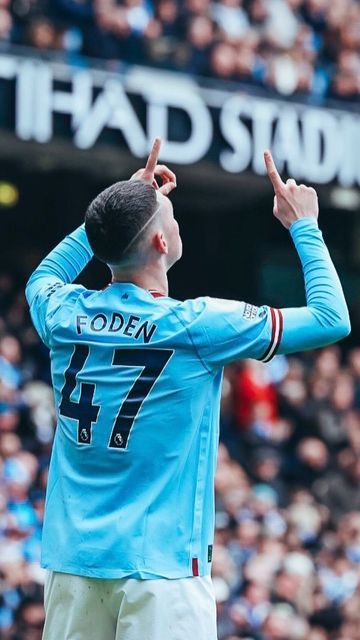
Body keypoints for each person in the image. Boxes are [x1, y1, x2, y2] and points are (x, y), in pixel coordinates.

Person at [25, 138, 350, 640]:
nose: (176, 224)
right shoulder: (197, 326)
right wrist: (304, 225)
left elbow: (44, 276)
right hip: (164, 573)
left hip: (73, 566)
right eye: (170, 218)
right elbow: (331, 318)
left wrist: (117, 212)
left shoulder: (63, 312)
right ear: (161, 243)